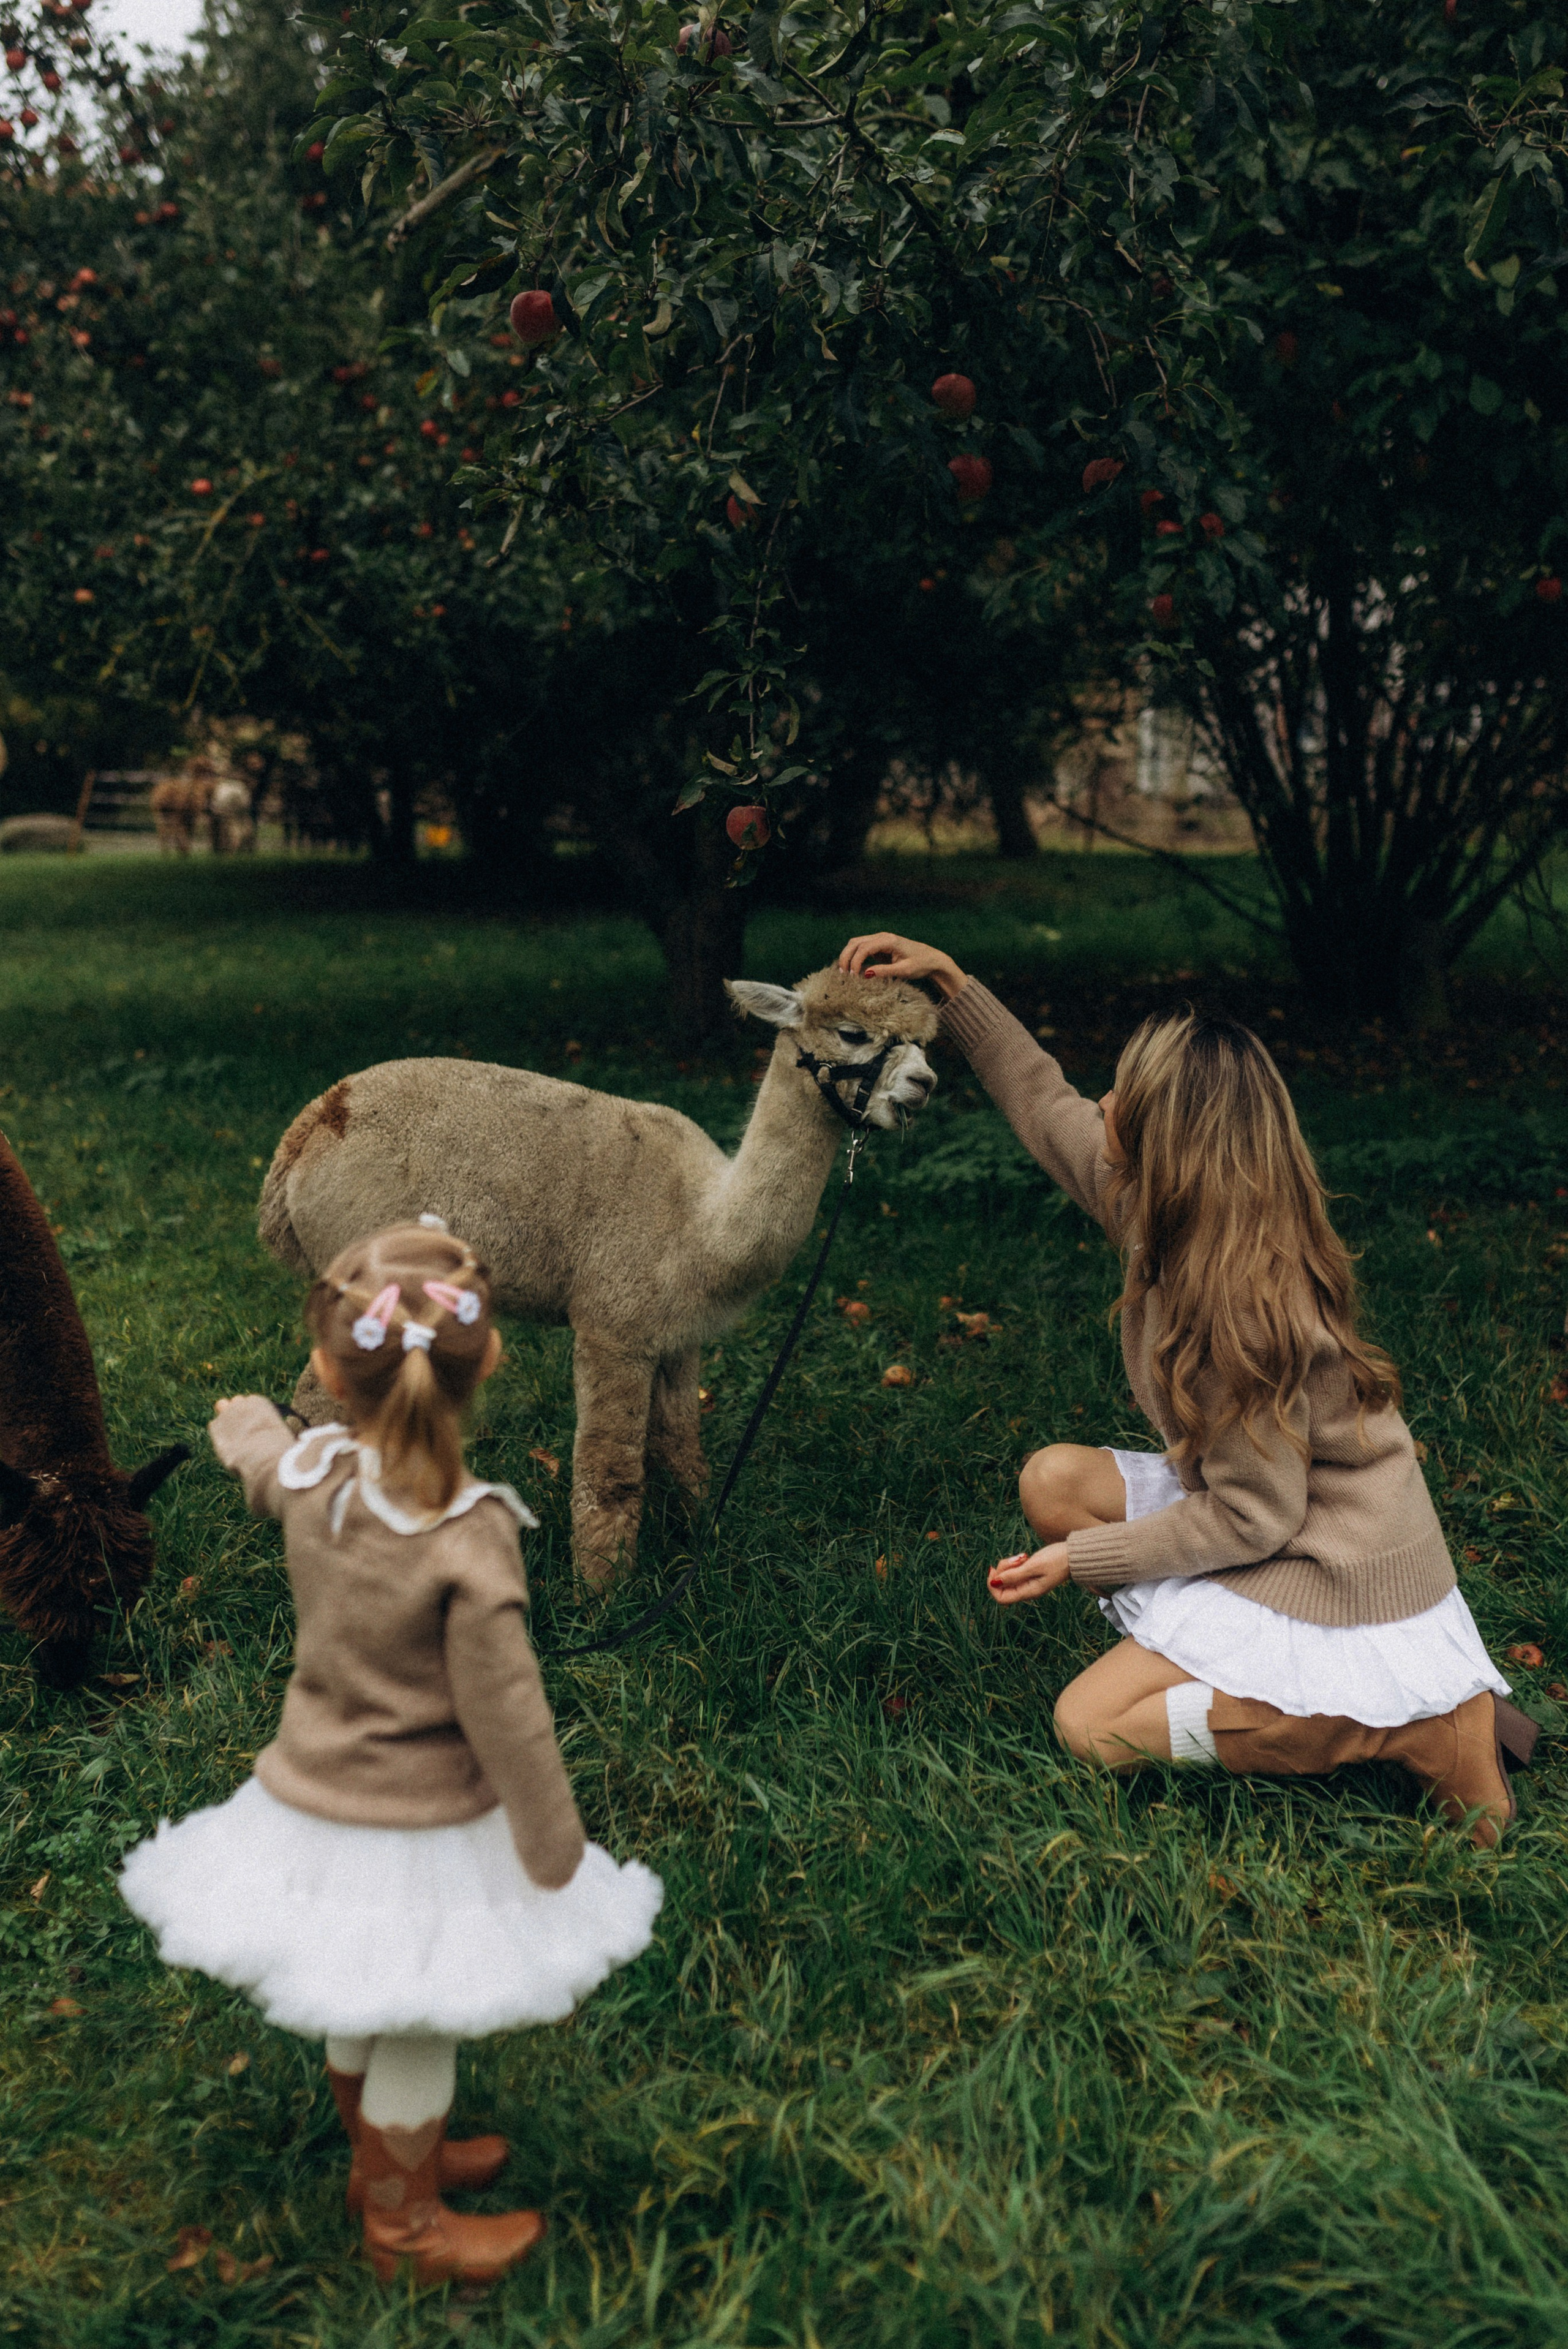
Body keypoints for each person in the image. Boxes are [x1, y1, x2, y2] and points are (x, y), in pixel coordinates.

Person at [837, 932, 1535, 1844]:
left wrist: (1081, 1562)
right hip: (1274, 1510)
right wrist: (954, 989)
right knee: (1055, 1481)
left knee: (1095, 1729)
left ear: (1171, 1141)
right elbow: (1048, 1105)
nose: (1105, 1102)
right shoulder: (1164, 1205)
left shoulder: (1240, 1308)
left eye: (1125, 1095)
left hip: (1329, 1566)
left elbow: (1256, 1521)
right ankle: (1243, 1667)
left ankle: (1409, 1723)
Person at [119, 1220, 662, 2285]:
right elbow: (509, 1712)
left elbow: (271, 1465)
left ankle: (381, 2158)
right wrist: (554, 1852)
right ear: (491, 1361)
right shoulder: (469, 1535)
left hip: (310, 1801)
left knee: (359, 1983)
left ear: (327, 1370)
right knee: (418, 2013)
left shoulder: (315, 1477)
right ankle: (404, 2225)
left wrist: (248, 1430)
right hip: (421, 1822)